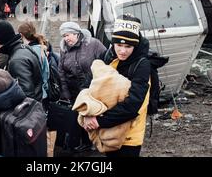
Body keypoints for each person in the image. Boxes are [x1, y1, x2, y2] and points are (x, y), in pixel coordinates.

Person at [82, 15, 151, 157]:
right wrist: (86, 113)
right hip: (107, 130)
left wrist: (98, 121)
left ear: (135, 45)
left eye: (128, 46)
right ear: (113, 43)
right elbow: (88, 85)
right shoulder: (107, 57)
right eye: (119, 45)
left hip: (129, 134)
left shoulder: (142, 65)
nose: (123, 51)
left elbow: (133, 105)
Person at [57, 21, 106, 152]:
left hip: (95, 88)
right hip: (76, 91)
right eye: (64, 36)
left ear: (77, 33)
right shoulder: (64, 49)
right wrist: (65, 92)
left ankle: (104, 141)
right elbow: (61, 71)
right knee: (83, 116)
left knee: (99, 114)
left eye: (68, 35)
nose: (66, 39)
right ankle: (86, 142)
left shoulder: (93, 44)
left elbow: (106, 62)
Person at [0, 20, 42, 101]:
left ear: (1, 42)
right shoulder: (23, 48)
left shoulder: (17, 60)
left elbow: (26, 93)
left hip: (28, 109)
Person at [17, 22, 49, 100]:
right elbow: (46, 72)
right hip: (42, 92)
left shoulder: (30, 51)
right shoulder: (40, 48)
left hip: (35, 95)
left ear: (21, 35)